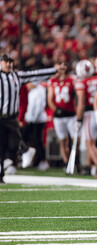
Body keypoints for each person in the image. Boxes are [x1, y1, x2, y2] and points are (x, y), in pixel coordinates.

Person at [0, 54, 56, 183]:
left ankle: (22, 154)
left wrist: (54, 70)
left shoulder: (16, 76)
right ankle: (3, 171)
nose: (9, 64)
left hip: (12, 117)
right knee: (2, 145)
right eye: (6, 62)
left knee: (14, 141)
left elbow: (35, 74)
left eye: (10, 62)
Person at [47, 57, 77, 170]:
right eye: (60, 64)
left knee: (75, 140)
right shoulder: (52, 81)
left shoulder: (72, 80)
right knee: (62, 140)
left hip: (71, 115)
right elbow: (49, 99)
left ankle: (75, 161)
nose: (62, 67)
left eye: (64, 65)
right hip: (59, 116)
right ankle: (66, 163)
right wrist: (56, 109)